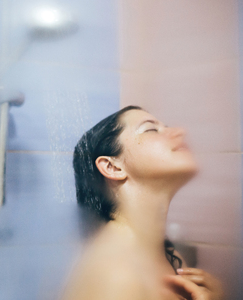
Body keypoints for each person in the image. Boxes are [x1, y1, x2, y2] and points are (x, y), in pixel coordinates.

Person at [62, 106, 223, 300]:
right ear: (112, 166)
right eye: (151, 129)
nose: (180, 132)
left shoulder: (168, 255)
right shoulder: (116, 274)